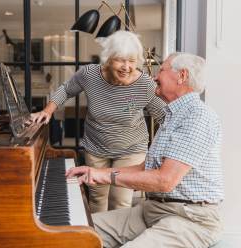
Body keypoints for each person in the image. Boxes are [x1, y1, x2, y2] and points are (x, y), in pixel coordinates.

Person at [66, 52, 224, 248]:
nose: (155, 76)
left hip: (189, 219)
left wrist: (108, 177)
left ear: (181, 76)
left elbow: (164, 181)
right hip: (154, 209)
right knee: (75, 232)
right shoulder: (172, 115)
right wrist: (97, 173)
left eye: (162, 70)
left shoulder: (198, 117)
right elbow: (145, 168)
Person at [31, 30, 166, 213]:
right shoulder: (90, 75)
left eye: (132, 61)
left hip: (130, 151)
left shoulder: (145, 85)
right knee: (96, 198)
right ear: (108, 58)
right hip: (96, 148)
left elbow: (165, 117)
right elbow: (66, 90)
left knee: (120, 202)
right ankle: (98, 240)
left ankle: (116, 240)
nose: (126, 67)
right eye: (120, 60)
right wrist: (47, 111)